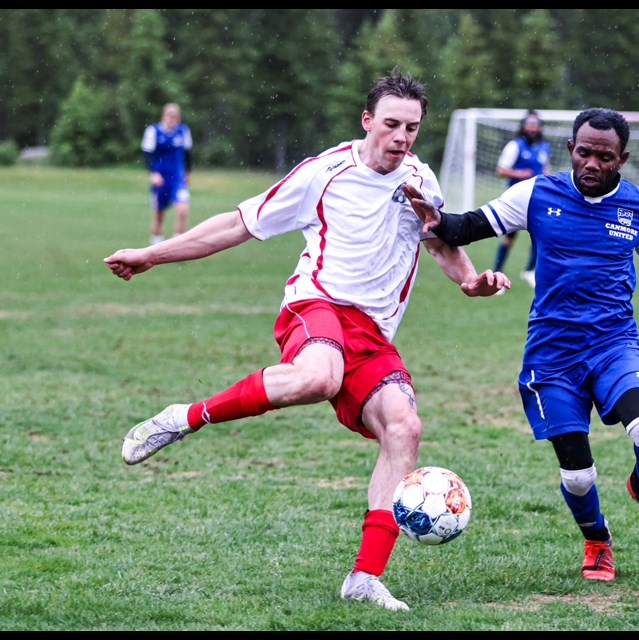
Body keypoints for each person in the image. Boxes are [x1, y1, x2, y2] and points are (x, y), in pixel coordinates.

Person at [104, 70, 509, 612]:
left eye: (411, 127)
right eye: (391, 124)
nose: (401, 137)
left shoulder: (420, 180)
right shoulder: (325, 172)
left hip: (373, 330)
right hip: (316, 304)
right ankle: (184, 417)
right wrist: (152, 253)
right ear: (367, 121)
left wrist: (470, 280)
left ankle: (364, 578)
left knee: (404, 426)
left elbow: (437, 243)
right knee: (320, 376)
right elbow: (238, 223)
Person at [402, 107, 639, 583]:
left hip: (614, 345)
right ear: (571, 148)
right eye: (583, 152)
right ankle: (597, 541)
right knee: (578, 475)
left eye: (604, 156)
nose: (591, 163)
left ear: (621, 158)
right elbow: (469, 227)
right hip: (551, 355)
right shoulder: (535, 194)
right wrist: (437, 219)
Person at [492, 110, 551, 290]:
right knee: (509, 238)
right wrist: (519, 174)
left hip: (538, 198)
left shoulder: (544, 147)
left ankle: (530, 271)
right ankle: (497, 275)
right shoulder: (515, 146)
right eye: (530, 124)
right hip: (516, 201)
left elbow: (545, 168)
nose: (533, 128)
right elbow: (500, 170)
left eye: (536, 125)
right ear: (524, 127)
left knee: (540, 236)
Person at [142, 103, 193, 246]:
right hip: (160, 178)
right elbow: (147, 155)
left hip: (177, 177)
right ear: (163, 116)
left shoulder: (183, 131)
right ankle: (156, 243)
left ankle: (177, 244)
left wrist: (188, 173)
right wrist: (153, 173)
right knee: (159, 214)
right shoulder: (153, 131)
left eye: (175, 116)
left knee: (182, 210)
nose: (172, 119)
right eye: (170, 115)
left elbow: (188, 154)